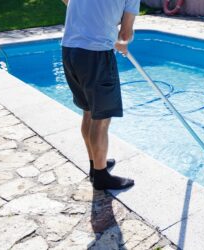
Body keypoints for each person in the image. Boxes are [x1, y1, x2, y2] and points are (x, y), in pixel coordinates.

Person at [61, 0, 140, 190]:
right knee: (101, 118)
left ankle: (94, 166)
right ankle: (101, 176)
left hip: (69, 50)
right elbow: (125, 34)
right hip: (95, 54)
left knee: (88, 111)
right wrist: (123, 43)